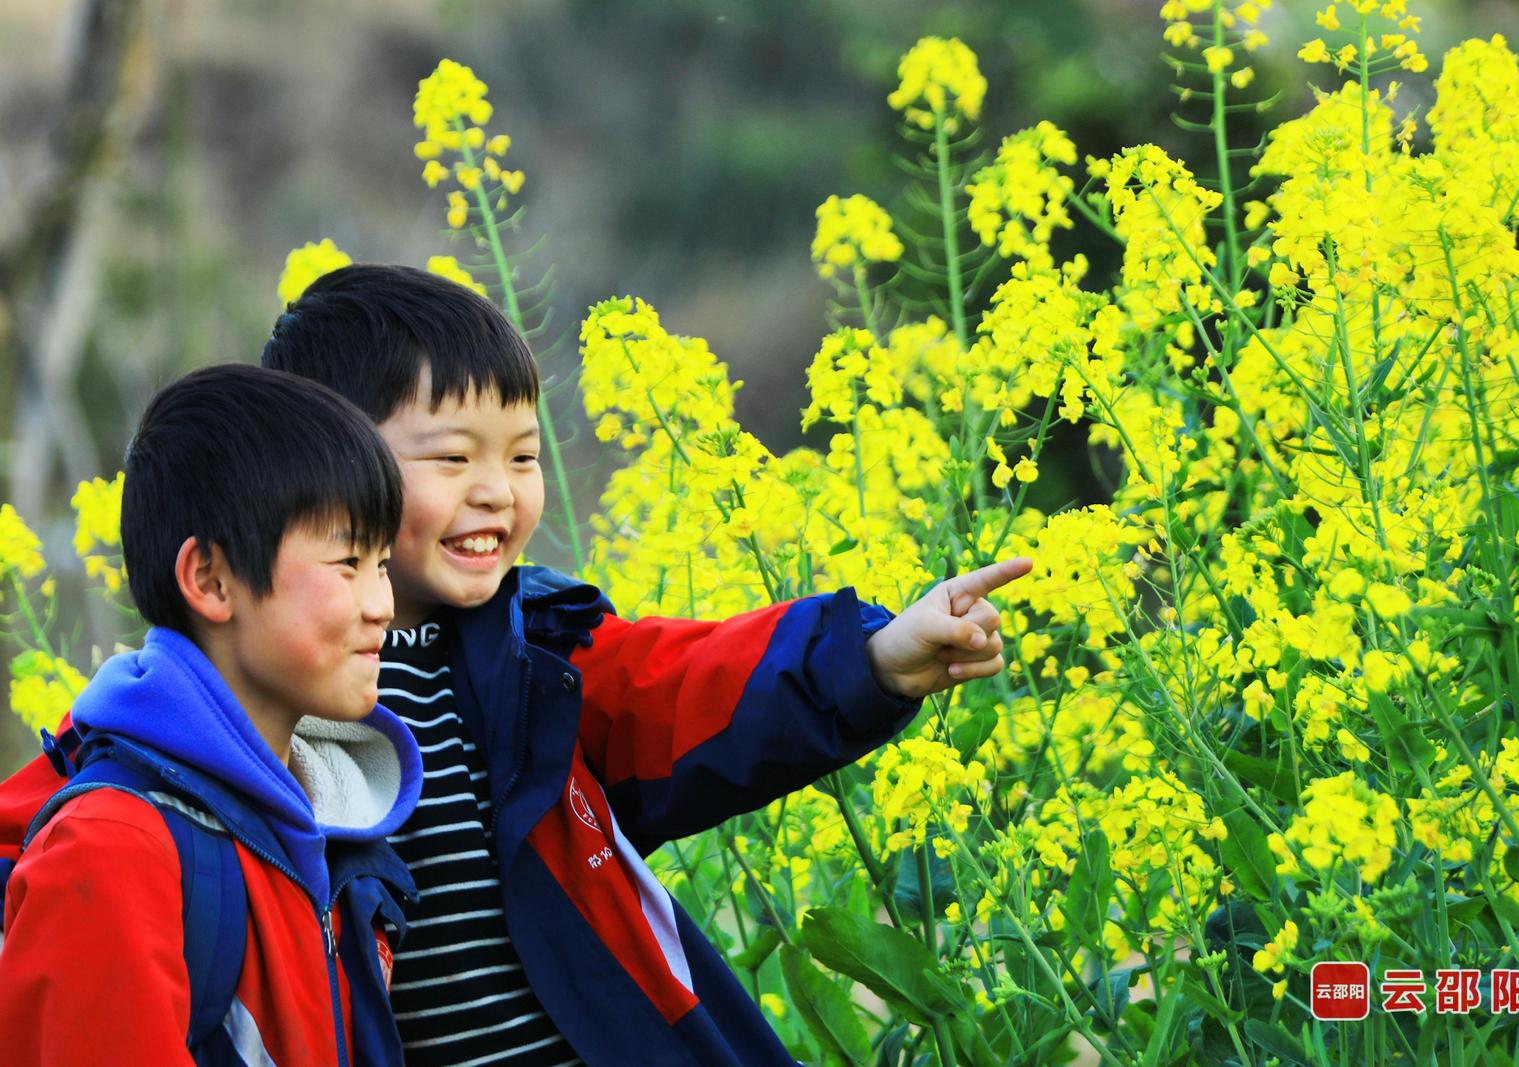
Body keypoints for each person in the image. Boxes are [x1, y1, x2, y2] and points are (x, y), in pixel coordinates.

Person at [262, 264, 1030, 1066]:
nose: (498, 492)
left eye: (523, 458)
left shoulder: (542, 654)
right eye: (454, 459)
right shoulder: (284, 695)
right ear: (332, 465)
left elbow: (697, 684)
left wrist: (870, 660)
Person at [0, 365, 423, 1065]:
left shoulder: (331, 820)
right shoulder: (111, 850)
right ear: (210, 579)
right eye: (348, 560)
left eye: (382, 563)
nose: (383, 603)